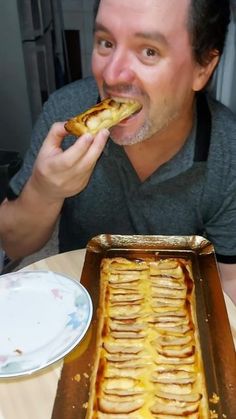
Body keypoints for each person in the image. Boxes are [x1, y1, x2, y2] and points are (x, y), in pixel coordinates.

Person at [0, 0, 236, 303]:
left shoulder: (227, 152)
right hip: (80, 307)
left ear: (203, 68)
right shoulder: (66, 116)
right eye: (106, 43)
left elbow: (230, 279)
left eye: (149, 51)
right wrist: (44, 190)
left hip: (174, 314)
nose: (111, 76)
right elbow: (13, 244)